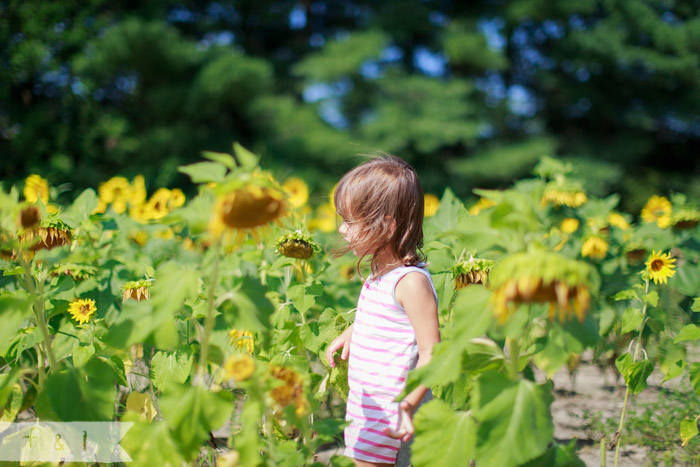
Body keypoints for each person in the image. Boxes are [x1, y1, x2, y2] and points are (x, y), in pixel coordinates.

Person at [326, 155, 440, 467]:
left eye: (350, 221)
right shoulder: (382, 275)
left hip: (392, 406)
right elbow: (386, 316)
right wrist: (353, 330)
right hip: (366, 402)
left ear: (386, 226)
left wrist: (408, 404)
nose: (342, 229)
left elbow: (431, 352)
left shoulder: (411, 282)